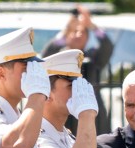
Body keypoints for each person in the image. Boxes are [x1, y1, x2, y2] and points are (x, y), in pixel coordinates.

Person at [41, 5, 113, 134]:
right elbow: (45, 57)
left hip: (93, 117)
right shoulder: (58, 58)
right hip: (66, 116)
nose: (79, 35)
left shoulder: (92, 57)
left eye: (83, 32)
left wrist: (91, 26)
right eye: (74, 31)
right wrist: (65, 31)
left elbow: (107, 46)